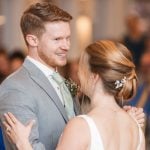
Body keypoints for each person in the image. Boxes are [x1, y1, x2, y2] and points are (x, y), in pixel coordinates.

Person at [3, 40, 145, 150]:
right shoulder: (136, 128)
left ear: (94, 77)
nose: (78, 74)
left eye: (83, 68)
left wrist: (23, 144)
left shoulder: (80, 126)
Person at [0, 2, 78, 150]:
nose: (66, 46)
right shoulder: (15, 89)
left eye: (67, 38)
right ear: (32, 40)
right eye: (57, 39)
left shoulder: (62, 81)